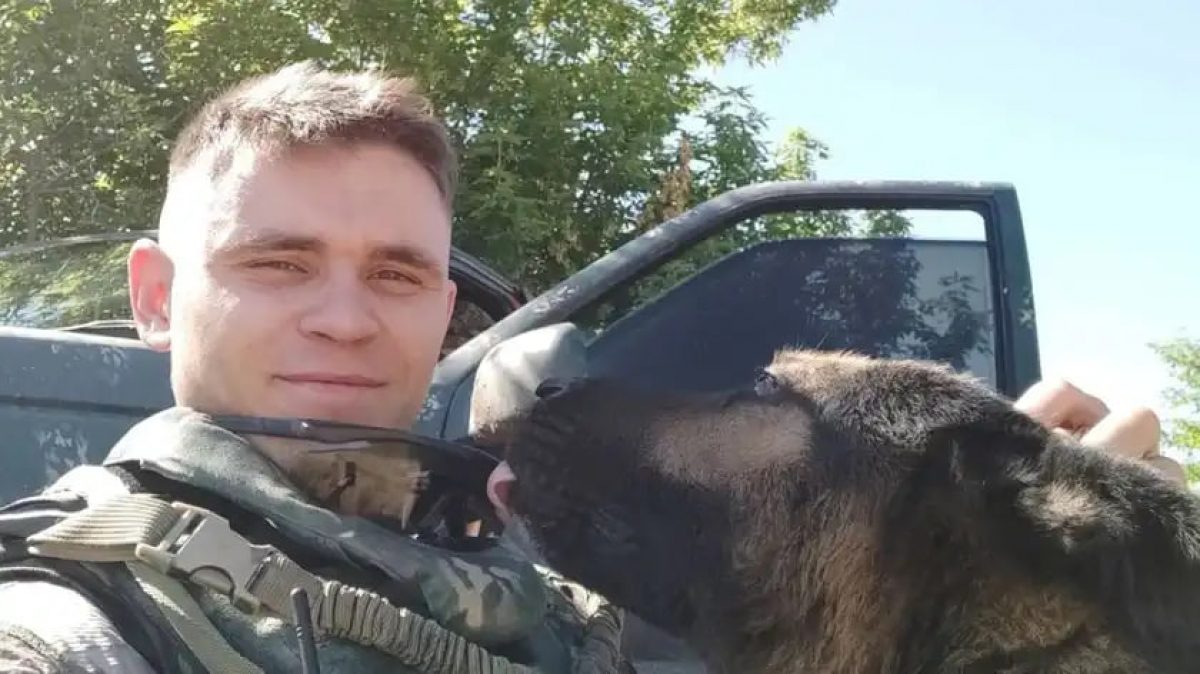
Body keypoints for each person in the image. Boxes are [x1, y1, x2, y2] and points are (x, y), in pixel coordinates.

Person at [0, 61, 626, 674]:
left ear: (442, 316)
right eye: (280, 265)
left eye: (395, 275)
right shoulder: (69, 622)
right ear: (157, 299)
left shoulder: (541, 597)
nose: (346, 321)